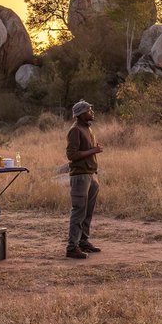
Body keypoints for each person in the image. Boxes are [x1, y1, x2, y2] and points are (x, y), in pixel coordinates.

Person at [65, 99, 103, 259]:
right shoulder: (75, 130)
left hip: (91, 174)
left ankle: (83, 241)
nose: (92, 112)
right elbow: (71, 155)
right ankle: (72, 247)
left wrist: (92, 150)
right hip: (80, 176)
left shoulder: (88, 129)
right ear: (80, 114)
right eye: (89, 110)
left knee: (88, 211)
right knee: (79, 211)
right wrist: (93, 150)